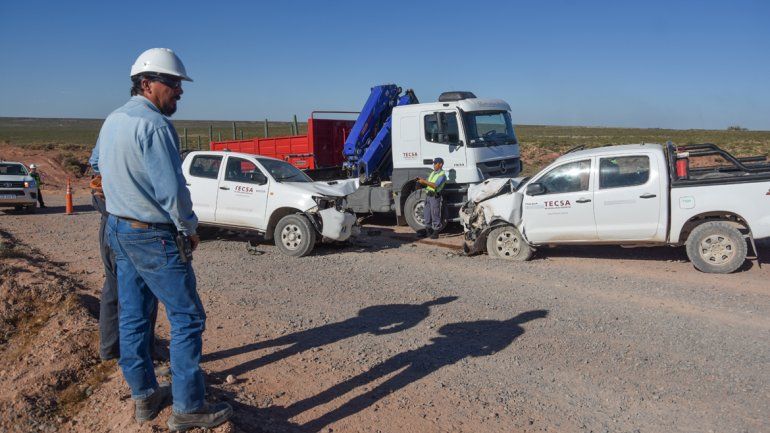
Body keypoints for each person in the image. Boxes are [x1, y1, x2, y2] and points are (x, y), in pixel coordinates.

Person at [92, 48, 231, 430]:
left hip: (120, 229)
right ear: (146, 84)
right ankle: (188, 407)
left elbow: (98, 165)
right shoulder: (155, 126)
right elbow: (172, 191)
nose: (179, 91)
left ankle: (144, 396)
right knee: (187, 318)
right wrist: (189, 228)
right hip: (154, 236)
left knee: (134, 316)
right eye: (172, 83)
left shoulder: (113, 120)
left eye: (179, 83)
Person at [87, 174, 160, 362]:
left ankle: (112, 351)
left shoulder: (107, 154)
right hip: (131, 222)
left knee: (114, 289)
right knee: (141, 291)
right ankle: (139, 356)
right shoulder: (139, 154)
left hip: (112, 220)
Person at [416, 157, 447, 239]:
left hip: (435, 196)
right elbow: (428, 182)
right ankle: (428, 230)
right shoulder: (433, 173)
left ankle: (436, 232)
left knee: (435, 213)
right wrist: (420, 181)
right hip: (428, 196)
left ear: (441, 164)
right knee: (427, 213)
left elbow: (435, 185)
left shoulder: (442, 175)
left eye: (436, 163)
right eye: (434, 163)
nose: (434, 165)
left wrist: (423, 181)